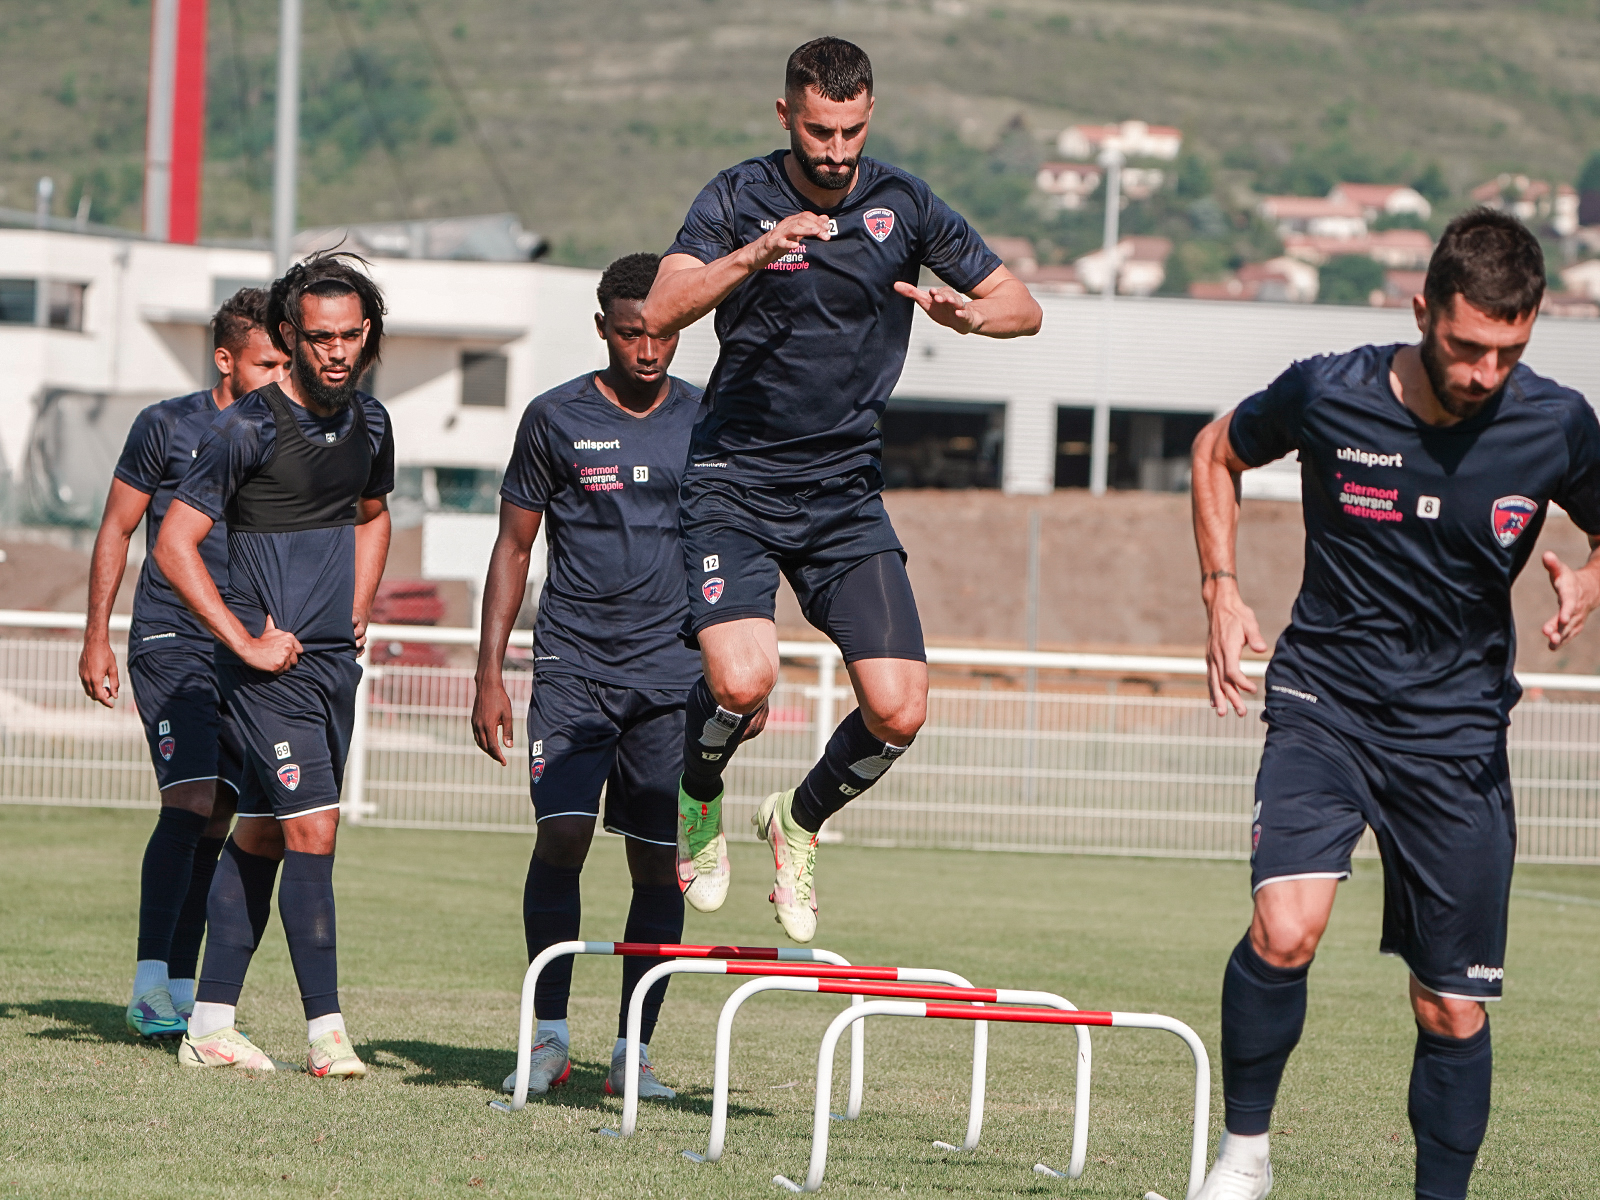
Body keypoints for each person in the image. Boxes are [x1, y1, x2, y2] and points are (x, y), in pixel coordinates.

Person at [1188, 208, 1600, 1200]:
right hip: (1324, 703)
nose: (1484, 373)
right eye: (1465, 347)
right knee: (1285, 930)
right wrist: (1221, 590)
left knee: (1449, 1008)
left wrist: (1592, 575)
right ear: (1422, 312)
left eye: (1508, 352)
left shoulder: (1556, 424)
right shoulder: (1328, 392)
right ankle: (1243, 1157)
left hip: (1457, 739)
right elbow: (1215, 452)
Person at [643, 36, 1042, 943]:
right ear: (786, 114)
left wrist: (975, 317)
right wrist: (755, 252)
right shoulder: (737, 197)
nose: (835, 150)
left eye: (851, 131)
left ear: (870, 116)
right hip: (735, 481)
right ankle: (698, 795)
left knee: (900, 709)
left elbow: (1024, 305)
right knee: (743, 683)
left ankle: (797, 821)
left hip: (843, 493)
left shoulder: (905, 203)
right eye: (819, 131)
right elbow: (662, 310)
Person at [471, 253, 742, 1100]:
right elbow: (514, 547)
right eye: (630, 334)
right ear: (603, 329)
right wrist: (488, 673)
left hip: (673, 677)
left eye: (662, 333)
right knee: (562, 837)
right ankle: (549, 1038)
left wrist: (741, 663)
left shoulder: (708, 418)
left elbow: (739, 545)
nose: (647, 350)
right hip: (573, 667)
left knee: (656, 865)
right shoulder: (554, 417)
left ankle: (634, 1052)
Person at [153, 252, 394, 1076]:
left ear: (367, 335)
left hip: (333, 667)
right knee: (314, 830)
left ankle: (209, 1025)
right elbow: (174, 544)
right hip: (268, 674)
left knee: (259, 835)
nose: (337, 351)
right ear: (290, 336)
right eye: (320, 337)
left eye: (350, 336)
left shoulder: (372, 423)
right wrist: (243, 642)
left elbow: (373, 515)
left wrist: (361, 600)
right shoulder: (245, 427)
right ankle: (327, 1034)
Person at [78, 289, 287, 1040]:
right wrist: (96, 635)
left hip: (245, 645)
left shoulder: (285, 436)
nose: (280, 376)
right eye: (267, 363)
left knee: (221, 812)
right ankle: (147, 985)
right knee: (192, 799)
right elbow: (117, 528)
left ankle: (179, 983)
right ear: (226, 359)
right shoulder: (166, 425)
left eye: (287, 363)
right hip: (172, 636)